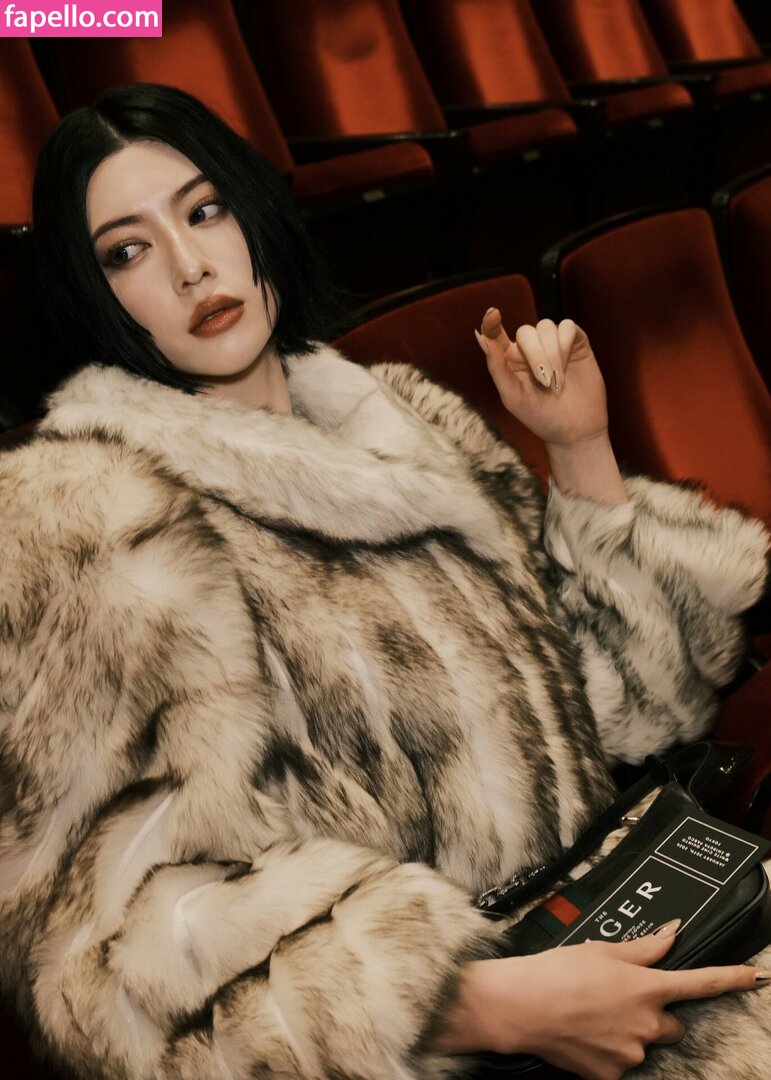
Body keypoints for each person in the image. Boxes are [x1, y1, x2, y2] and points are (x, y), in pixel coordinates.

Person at [0, 82, 768, 1080]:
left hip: (613, 936)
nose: (191, 266)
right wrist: (475, 1005)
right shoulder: (87, 524)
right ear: (91, 292)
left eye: (204, 210)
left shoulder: (408, 427)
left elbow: (622, 720)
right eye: (127, 251)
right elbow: (109, 963)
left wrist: (579, 449)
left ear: (254, 212)